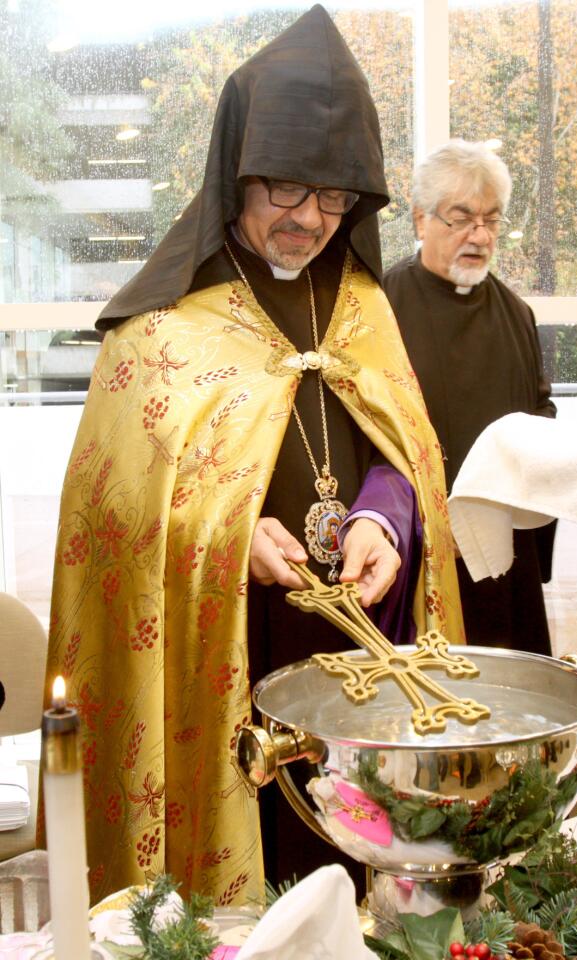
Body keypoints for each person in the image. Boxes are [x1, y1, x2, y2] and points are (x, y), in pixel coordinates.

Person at [44, 6, 463, 904]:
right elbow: (119, 518)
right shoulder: (161, 325)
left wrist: (384, 522)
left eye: (336, 199)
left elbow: (399, 452)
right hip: (225, 650)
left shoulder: (361, 305)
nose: (310, 220)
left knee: (360, 888)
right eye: (286, 190)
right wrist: (232, 531)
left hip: (359, 643)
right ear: (236, 169)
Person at [375, 140, 556, 654]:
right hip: (413, 550)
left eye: (492, 220)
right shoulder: (379, 309)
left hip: (502, 549)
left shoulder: (516, 312)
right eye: (461, 218)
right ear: (420, 220)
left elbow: (540, 414)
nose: (480, 235)